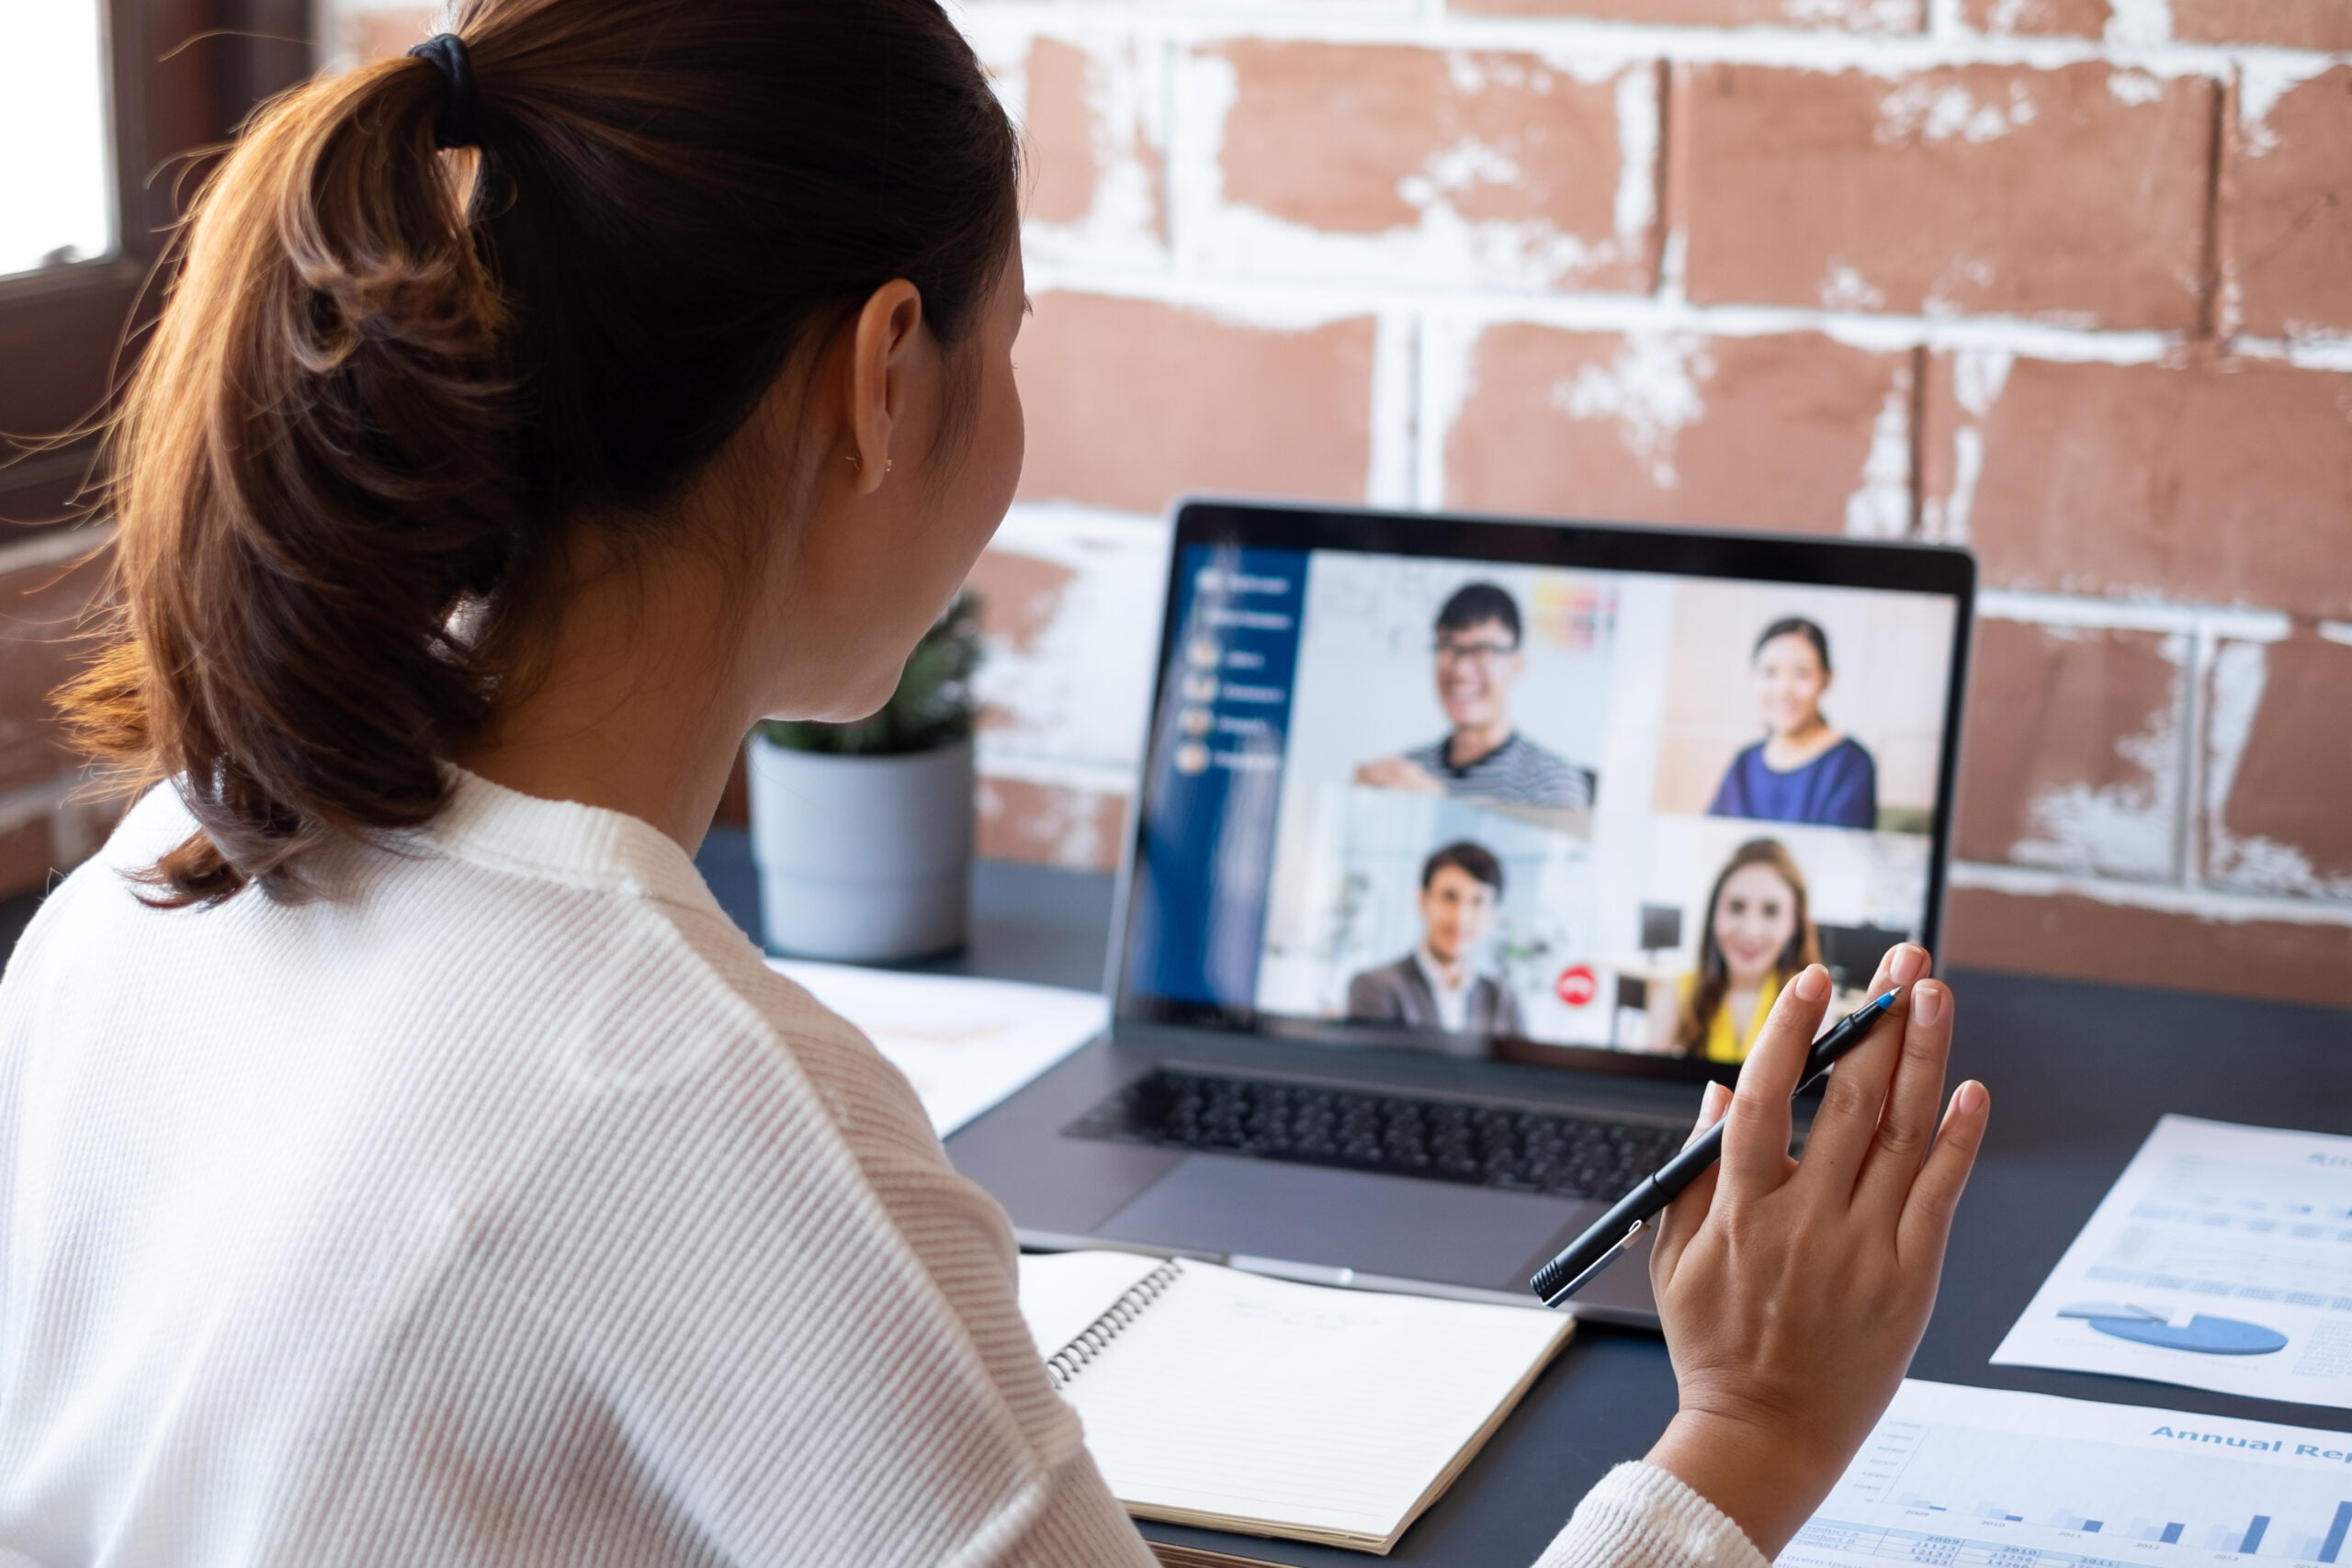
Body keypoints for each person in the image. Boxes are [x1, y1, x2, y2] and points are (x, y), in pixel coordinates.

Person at [0, 6, 1989, 1565]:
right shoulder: (690, 1109)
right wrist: (1744, 1435)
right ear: (882, 373)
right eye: (1008, 336)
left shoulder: (145, 888)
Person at [1353, 581, 1597, 810]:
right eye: (1448, 649)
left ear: (1517, 664)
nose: (1460, 670)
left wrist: (1437, 808)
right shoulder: (1407, 772)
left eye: (1482, 651)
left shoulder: (1551, 781)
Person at [1652, 839, 1824, 1064]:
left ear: (1794, 924)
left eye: (1771, 911)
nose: (1751, 930)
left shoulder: (1810, 1000)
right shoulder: (1676, 994)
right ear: (1714, 915)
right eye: (1736, 907)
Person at [1345, 841, 1526, 1042]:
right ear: (1423, 901)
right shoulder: (1376, 987)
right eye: (1449, 897)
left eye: (1477, 902)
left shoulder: (1503, 1001)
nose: (1460, 917)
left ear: (1492, 913)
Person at [1707, 617, 1878, 829]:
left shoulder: (1850, 764)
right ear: (1753, 677)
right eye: (1770, 673)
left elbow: (1839, 857)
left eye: (1802, 674)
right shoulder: (1744, 761)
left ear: (1826, 679)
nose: (1784, 690)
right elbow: (1709, 840)